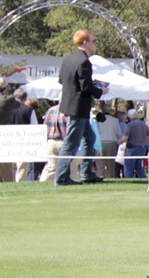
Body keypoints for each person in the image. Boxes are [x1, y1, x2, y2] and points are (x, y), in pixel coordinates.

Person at [56, 29, 105, 185]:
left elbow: (62, 81)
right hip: (77, 108)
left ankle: (87, 173)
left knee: (89, 138)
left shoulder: (68, 59)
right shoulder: (84, 61)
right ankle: (61, 177)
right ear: (85, 42)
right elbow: (85, 87)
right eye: (93, 41)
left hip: (72, 106)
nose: (95, 44)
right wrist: (100, 90)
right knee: (71, 143)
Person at [8, 88, 39, 181]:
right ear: (25, 99)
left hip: (9, 139)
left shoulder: (8, 109)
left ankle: (11, 181)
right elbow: (35, 126)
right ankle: (19, 182)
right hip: (24, 141)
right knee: (22, 166)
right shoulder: (29, 110)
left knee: (11, 164)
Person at [120, 106, 149, 178]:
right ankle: (143, 179)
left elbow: (124, 138)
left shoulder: (129, 125)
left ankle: (129, 181)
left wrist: (118, 142)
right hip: (142, 148)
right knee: (139, 167)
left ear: (129, 117)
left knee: (128, 167)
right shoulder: (144, 125)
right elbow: (148, 138)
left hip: (132, 148)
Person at [41, 101, 67, 182]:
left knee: (51, 166)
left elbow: (45, 125)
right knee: (71, 165)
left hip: (51, 141)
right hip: (64, 141)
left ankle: (43, 182)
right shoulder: (67, 110)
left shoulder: (50, 110)